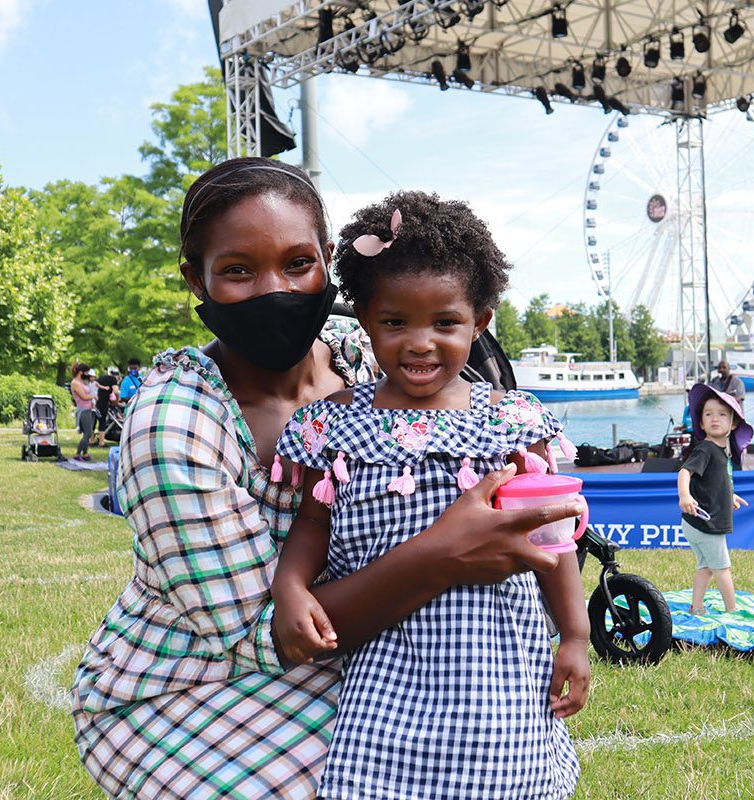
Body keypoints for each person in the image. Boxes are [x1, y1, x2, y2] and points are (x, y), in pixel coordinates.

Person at [70, 157, 579, 800]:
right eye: (236, 270)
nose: (271, 290)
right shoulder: (172, 428)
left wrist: (564, 627)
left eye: (296, 264)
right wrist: (444, 555)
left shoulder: (374, 355)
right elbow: (267, 637)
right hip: (198, 679)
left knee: (483, 750)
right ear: (194, 281)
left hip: (381, 648)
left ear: (328, 260)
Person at [272, 191, 585, 800]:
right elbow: (312, 523)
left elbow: (553, 536)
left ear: (481, 323)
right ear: (364, 319)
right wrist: (290, 586)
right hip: (384, 676)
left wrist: (573, 633)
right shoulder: (333, 424)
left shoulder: (512, 422)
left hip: (501, 678)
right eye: (395, 322)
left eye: (445, 323)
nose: (420, 343)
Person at [678, 382, 753, 615]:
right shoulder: (706, 449)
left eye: (722, 414)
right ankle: (732, 610)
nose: (715, 418)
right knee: (722, 569)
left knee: (706, 567)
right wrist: (685, 495)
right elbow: (684, 472)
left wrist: (730, 495)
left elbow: (718, 480)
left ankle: (696, 607)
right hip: (706, 524)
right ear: (700, 422)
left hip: (698, 523)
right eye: (708, 414)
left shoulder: (722, 452)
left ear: (733, 423)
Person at [68, 363, 97, 462]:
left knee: (87, 433)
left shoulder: (82, 382)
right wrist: (93, 397)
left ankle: (85, 453)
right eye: (86, 372)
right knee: (88, 433)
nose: (88, 374)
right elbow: (83, 397)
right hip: (83, 410)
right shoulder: (75, 383)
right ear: (81, 372)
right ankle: (77, 454)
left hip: (88, 409)